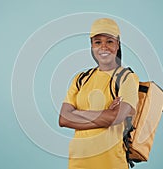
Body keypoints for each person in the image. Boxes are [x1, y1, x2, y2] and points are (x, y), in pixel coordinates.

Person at [59, 18, 139, 169]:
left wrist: (76, 113)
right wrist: (104, 114)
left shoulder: (126, 78)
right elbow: (63, 119)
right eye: (97, 42)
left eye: (109, 41)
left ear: (118, 45)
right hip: (78, 163)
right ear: (91, 46)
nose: (104, 47)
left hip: (111, 163)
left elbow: (116, 118)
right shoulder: (81, 78)